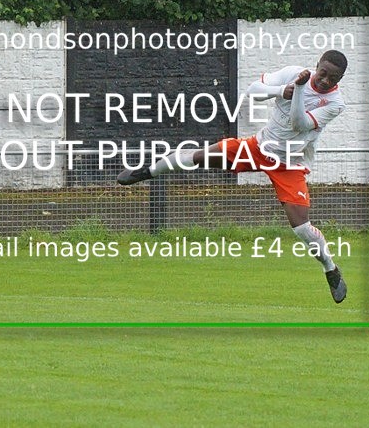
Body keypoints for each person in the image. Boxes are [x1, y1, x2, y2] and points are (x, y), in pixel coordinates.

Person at [117, 50, 349, 304]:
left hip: (290, 163)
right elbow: (253, 91)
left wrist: (300, 89)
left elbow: (299, 124)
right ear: (317, 65)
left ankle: (330, 268)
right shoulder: (293, 73)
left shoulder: (335, 103)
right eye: (323, 73)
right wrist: (283, 89)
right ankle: (147, 171)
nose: (325, 80)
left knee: (302, 228)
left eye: (332, 78)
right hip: (258, 148)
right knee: (198, 157)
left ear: (340, 79)